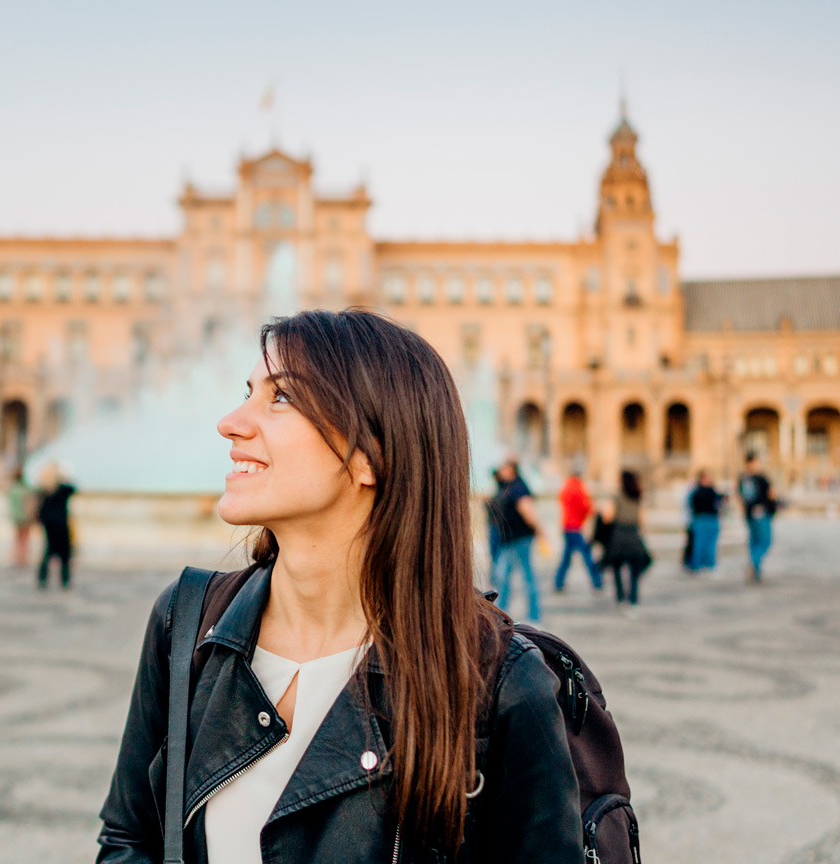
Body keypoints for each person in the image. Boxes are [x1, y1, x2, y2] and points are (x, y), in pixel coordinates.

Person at [97, 309, 580, 863]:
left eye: (280, 399)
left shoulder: (498, 681)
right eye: (248, 392)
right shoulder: (186, 623)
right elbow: (130, 839)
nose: (229, 422)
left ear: (370, 454)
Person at [488, 459, 543, 623]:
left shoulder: (518, 486)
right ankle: (503, 612)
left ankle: (533, 614)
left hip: (519, 539)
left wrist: (540, 531)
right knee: (505, 576)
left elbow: (527, 511)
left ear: (511, 470)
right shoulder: (508, 486)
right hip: (509, 540)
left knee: (520, 576)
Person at [591, 470, 651, 605]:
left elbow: (608, 516)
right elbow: (642, 519)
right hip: (634, 534)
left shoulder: (616, 496)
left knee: (617, 567)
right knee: (634, 569)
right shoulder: (638, 497)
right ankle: (633, 598)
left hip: (619, 534)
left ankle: (620, 597)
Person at [551, 469, 599, 592]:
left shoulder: (566, 486)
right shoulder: (578, 488)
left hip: (567, 525)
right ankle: (597, 580)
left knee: (566, 557)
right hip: (575, 527)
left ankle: (559, 581)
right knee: (586, 554)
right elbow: (585, 506)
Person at [37, 463, 76, 590]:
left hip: (49, 525)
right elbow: (74, 489)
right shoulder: (63, 489)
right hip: (61, 524)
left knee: (48, 552)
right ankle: (64, 580)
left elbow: (40, 508)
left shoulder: (44, 489)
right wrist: (65, 478)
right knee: (65, 554)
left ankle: (42, 579)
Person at [738, 456, 776, 582]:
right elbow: (771, 494)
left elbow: (741, 497)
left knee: (754, 541)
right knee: (765, 540)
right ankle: (754, 564)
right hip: (761, 512)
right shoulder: (759, 478)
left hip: (749, 513)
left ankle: (755, 568)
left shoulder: (743, 478)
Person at [685, 470, 723, 572]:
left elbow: (720, 504)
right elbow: (690, 505)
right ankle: (697, 565)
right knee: (699, 544)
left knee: (711, 545)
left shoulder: (713, 491)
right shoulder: (696, 491)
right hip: (700, 519)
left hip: (712, 519)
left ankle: (710, 564)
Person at [7, 467, 37, 568]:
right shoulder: (26, 489)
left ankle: (15, 558)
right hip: (25, 517)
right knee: (25, 539)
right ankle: (22, 559)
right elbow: (30, 504)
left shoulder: (12, 489)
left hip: (15, 517)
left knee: (17, 539)